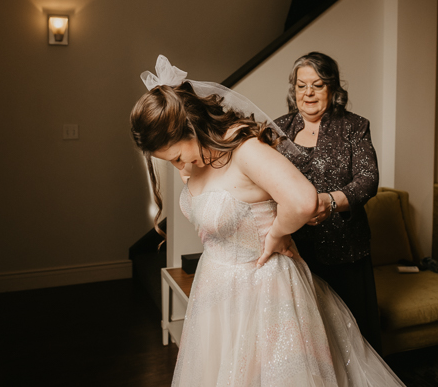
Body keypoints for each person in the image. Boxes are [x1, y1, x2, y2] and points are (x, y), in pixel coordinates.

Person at [131, 55, 404, 387]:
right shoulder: (205, 155)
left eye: (176, 158)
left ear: (189, 127)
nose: (181, 168)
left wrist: (276, 232)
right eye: (301, 86)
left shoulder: (246, 149)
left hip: (264, 286)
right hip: (216, 288)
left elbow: (304, 198)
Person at [274, 52, 383, 353]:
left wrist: (329, 202)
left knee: (353, 342)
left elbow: (368, 179)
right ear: (293, 89)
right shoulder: (277, 129)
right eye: (301, 85)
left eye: (317, 85)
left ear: (333, 89)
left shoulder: (354, 126)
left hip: (345, 250)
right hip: (294, 251)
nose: (307, 93)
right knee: (307, 344)